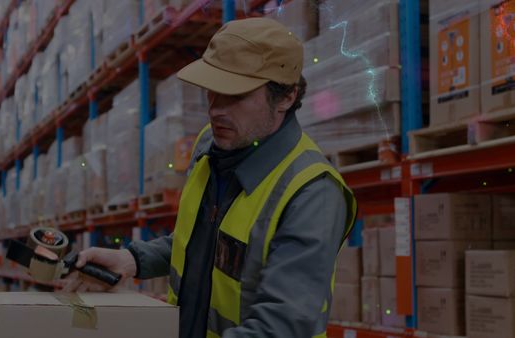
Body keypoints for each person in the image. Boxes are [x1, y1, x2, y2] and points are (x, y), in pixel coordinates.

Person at [63, 17, 357, 338]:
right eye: (212, 92)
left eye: (236, 95)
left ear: (286, 97)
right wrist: (132, 259)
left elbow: (281, 326)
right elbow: (204, 243)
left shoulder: (312, 192)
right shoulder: (211, 146)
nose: (216, 109)